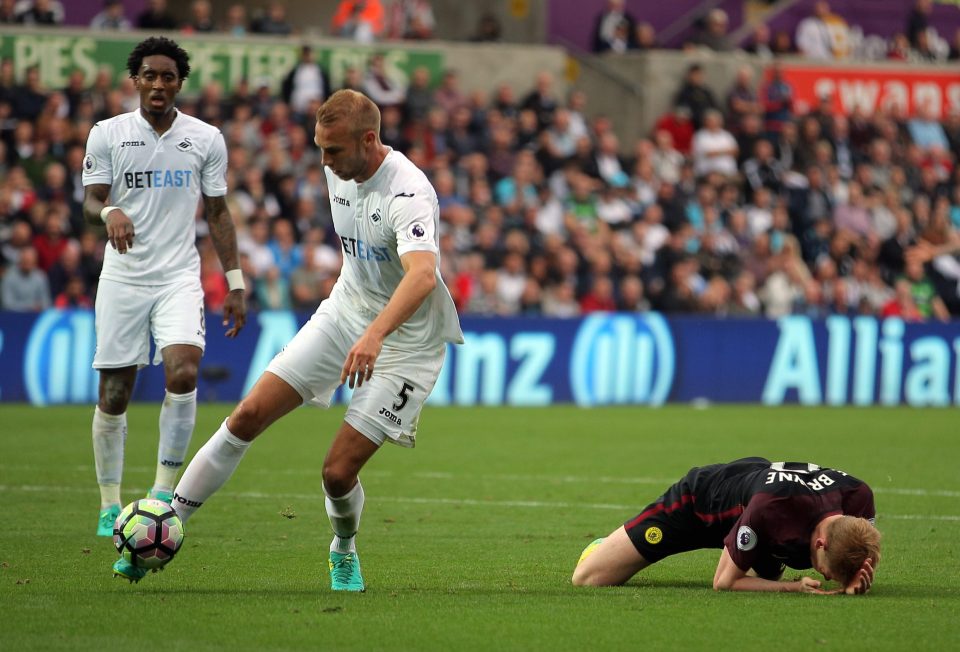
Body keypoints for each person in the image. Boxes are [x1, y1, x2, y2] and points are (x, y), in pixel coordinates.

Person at [112, 90, 464, 589]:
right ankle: (164, 528)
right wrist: (361, 326)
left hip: (406, 343)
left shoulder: (408, 191)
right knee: (247, 415)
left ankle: (343, 547)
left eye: (333, 150)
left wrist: (375, 335)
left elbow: (423, 275)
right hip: (344, 313)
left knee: (337, 474)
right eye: (320, 149)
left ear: (368, 140)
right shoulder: (337, 169)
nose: (324, 161)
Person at [82, 37, 247, 541]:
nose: (158, 84)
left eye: (168, 76)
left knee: (184, 370)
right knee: (114, 394)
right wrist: (110, 212)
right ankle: (110, 503)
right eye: (149, 75)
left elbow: (217, 212)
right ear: (135, 79)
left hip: (179, 276)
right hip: (124, 277)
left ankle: (160, 495)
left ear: (180, 83)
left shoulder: (205, 138)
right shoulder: (107, 134)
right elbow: (90, 202)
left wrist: (235, 282)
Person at [572, 457, 879, 595]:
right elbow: (724, 582)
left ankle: (755, 548)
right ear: (820, 543)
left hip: (759, 512)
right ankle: (608, 545)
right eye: (826, 570)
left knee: (767, 573)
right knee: (589, 578)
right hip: (699, 505)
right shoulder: (770, 508)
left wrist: (853, 578)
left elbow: (867, 552)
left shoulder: (859, 497)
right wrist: (794, 587)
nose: (825, 577)